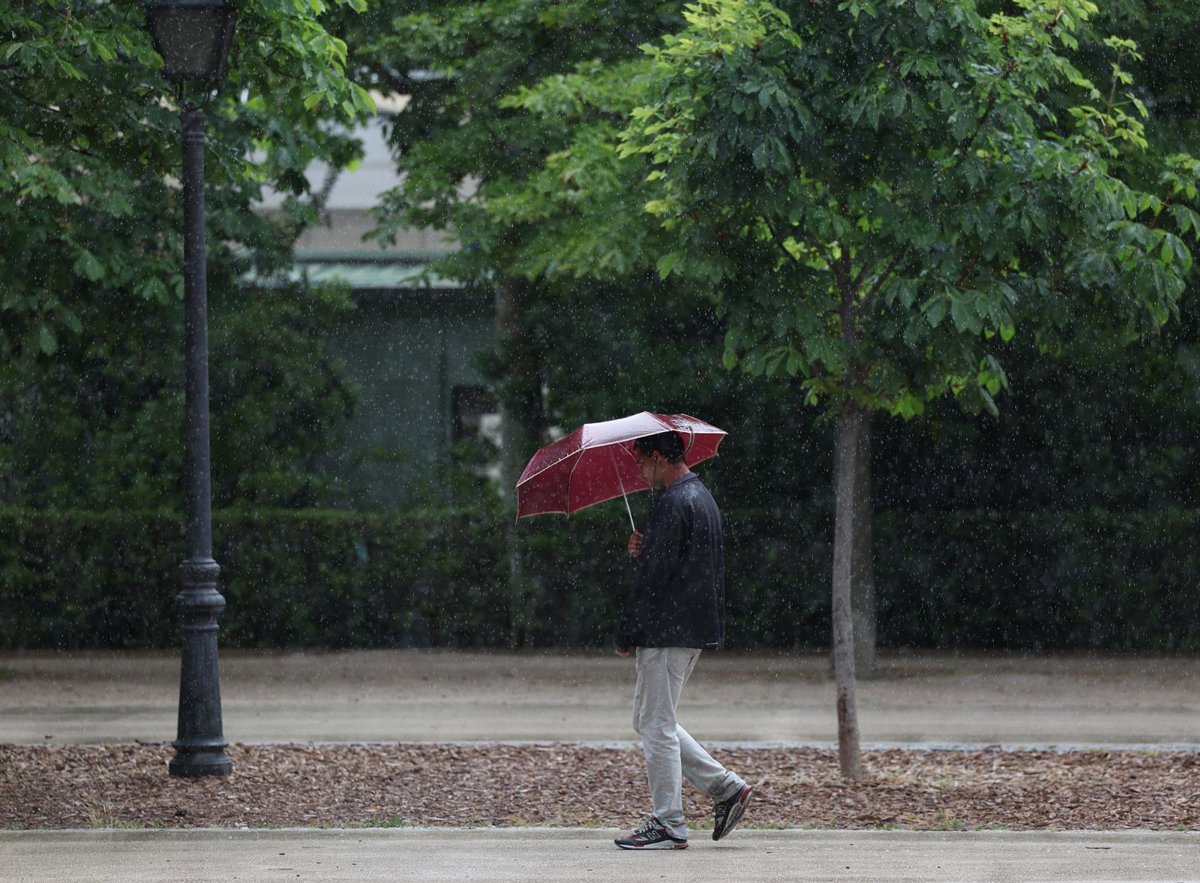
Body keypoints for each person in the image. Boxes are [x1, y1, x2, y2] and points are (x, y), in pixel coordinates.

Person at [612, 429, 752, 850]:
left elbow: (656, 579)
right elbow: (679, 563)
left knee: (655, 724)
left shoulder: (675, 503)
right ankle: (725, 787)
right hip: (687, 627)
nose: (639, 469)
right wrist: (647, 547)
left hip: (667, 630)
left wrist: (627, 630)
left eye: (640, 460)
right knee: (650, 719)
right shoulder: (699, 497)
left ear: (657, 456)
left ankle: (669, 821)